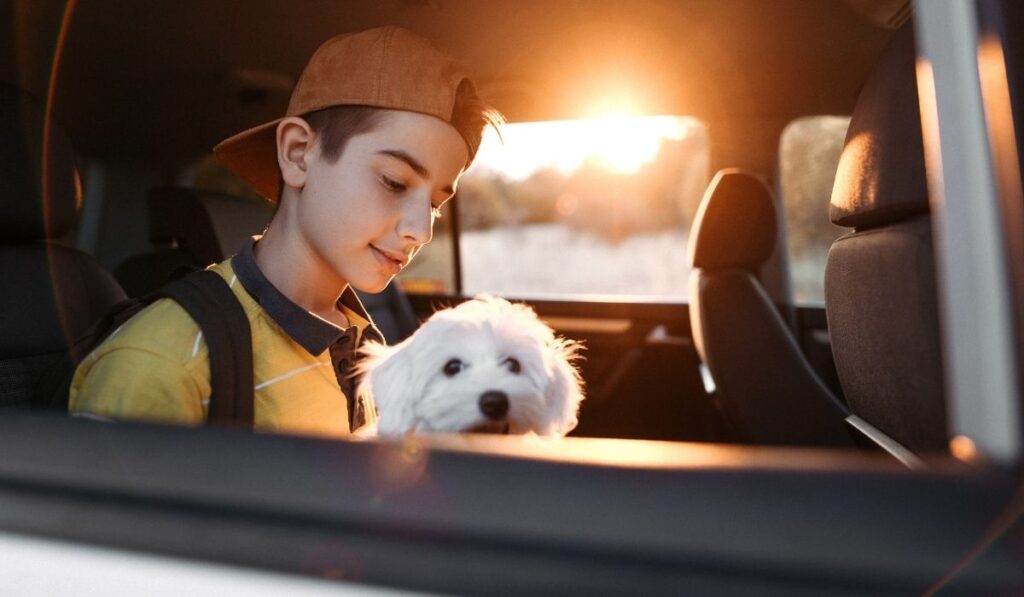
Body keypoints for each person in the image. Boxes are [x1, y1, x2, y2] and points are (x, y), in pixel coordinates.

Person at [69, 26, 502, 437]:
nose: (420, 230)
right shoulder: (163, 363)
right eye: (394, 181)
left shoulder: (361, 338)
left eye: (435, 204)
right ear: (298, 154)